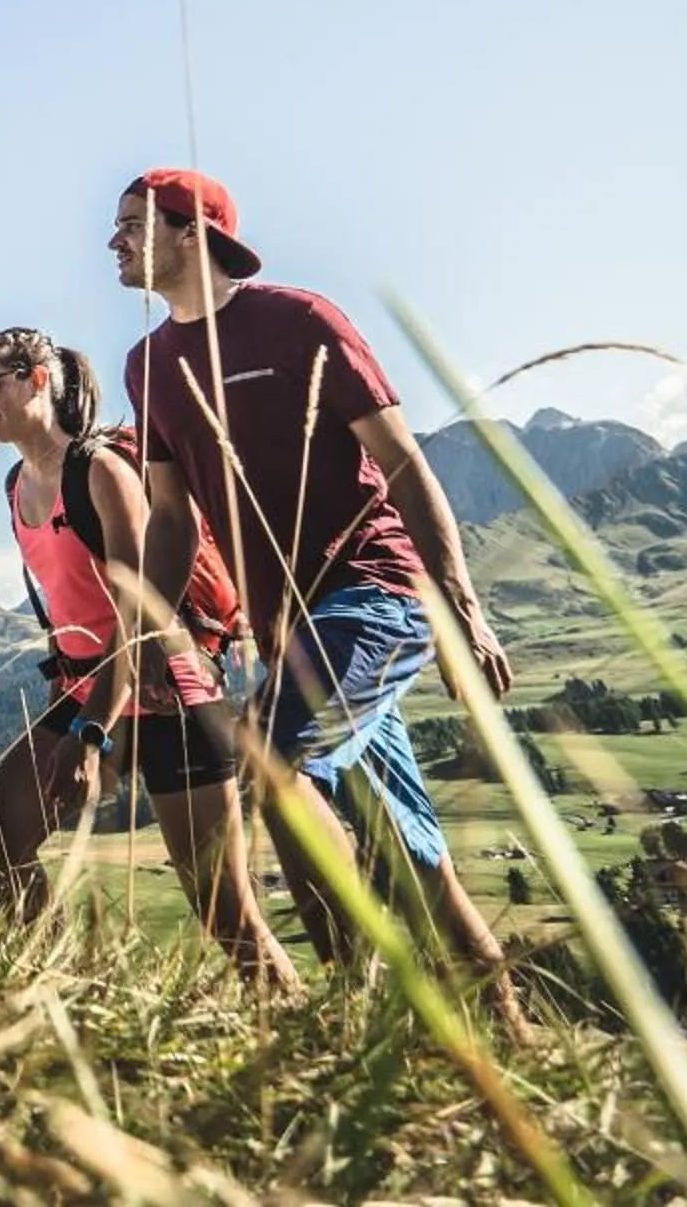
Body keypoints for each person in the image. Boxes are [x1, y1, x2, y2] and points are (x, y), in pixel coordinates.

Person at [110, 168, 527, 1031]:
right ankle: (514, 1032)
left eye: (130, 226)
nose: (112, 244)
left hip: (374, 591)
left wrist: (462, 608)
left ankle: (352, 1011)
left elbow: (405, 464)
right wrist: (150, 634)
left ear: (192, 232)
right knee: (417, 852)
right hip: (288, 630)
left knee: (270, 756)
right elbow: (169, 515)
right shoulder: (146, 364)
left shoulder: (299, 322)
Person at [0, 325, 298, 990]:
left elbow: (139, 614)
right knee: (0, 838)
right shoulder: (14, 485)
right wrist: (84, 715)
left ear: (36, 380)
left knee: (224, 912)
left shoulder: (103, 471)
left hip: (167, 695)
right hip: (89, 694)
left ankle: (302, 1029)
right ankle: (61, 994)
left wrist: (91, 734)